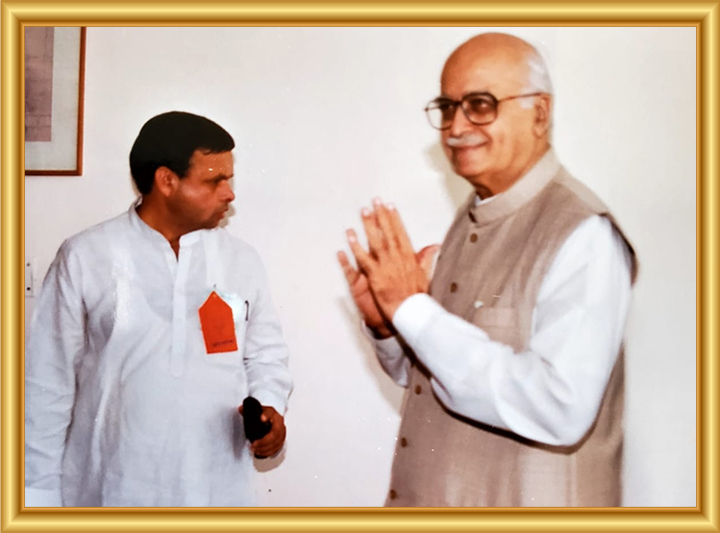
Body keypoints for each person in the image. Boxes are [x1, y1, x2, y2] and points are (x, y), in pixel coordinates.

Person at [338, 33, 637, 507]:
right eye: (447, 107)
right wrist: (388, 324)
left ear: (540, 113)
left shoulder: (583, 234)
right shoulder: (473, 217)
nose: (456, 127)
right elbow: (433, 376)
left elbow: (558, 407)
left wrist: (412, 308)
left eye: (480, 105)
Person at [25, 111, 293, 507]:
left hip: (214, 490)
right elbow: (47, 382)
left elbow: (266, 355)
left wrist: (270, 407)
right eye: (214, 180)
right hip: (110, 490)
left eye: (229, 179)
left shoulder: (240, 261)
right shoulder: (86, 255)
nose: (229, 194)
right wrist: (38, 496)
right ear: (166, 181)